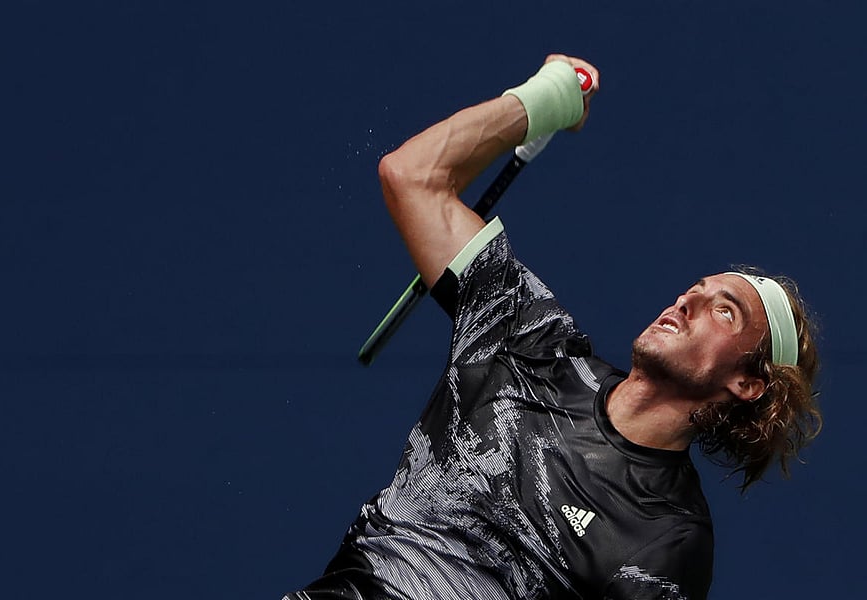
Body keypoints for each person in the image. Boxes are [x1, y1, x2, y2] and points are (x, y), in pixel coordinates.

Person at [283, 54, 822, 600]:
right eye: (695, 290)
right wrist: (544, 101)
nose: (687, 302)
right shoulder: (531, 341)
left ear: (749, 383)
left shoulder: (668, 539)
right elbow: (412, 177)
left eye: (724, 310)